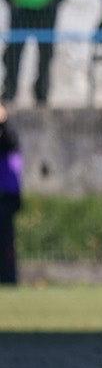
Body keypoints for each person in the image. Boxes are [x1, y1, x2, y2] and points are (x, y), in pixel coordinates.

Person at [0, 103, 18, 285]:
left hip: (6, 195)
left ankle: (9, 278)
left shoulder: (8, 135)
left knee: (6, 241)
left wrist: (3, 122)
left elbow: (9, 142)